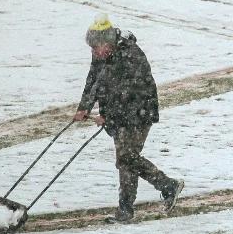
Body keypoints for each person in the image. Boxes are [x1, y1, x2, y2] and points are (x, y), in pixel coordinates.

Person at [74, 14, 184, 223]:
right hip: (120, 114)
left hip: (138, 112)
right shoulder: (102, 54)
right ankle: (126, 209)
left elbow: (128, 93)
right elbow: (94, 79)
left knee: (126, 158)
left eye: (96, 48)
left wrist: (107, 116)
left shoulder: (130, 55)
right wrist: (84, 107)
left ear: (107, 43)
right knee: (126, 160)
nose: (94, 53)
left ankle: (166, 186)